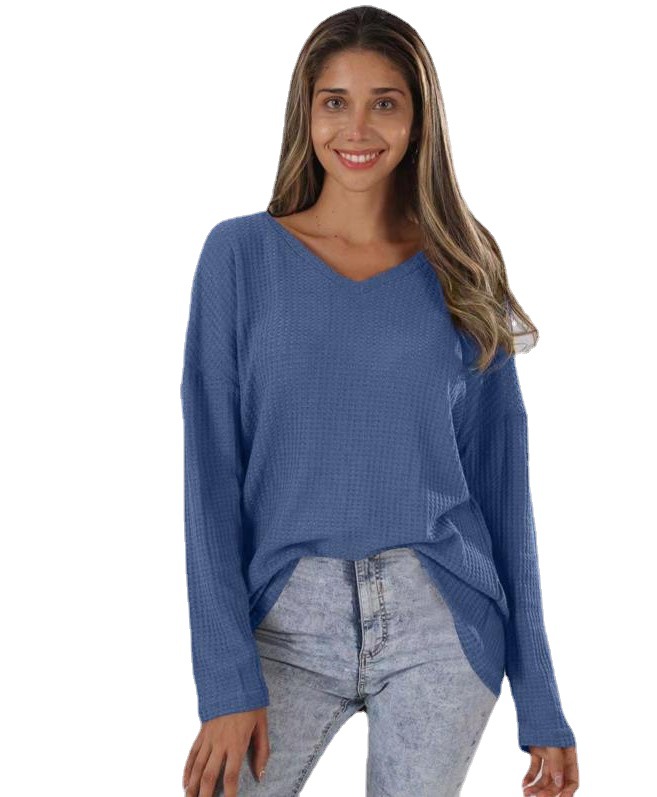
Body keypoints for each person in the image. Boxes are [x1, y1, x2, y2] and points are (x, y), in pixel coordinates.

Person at [180, 6, 579, 797]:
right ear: (305, 113)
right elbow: (209, 476)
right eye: (335, 101)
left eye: (384, 102)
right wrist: (226, 680)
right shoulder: (239, 256)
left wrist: (540, 697)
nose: (357, 127)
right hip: (283, 622)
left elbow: (504, 489)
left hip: (440, 622)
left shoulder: (464, 264)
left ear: (418, 118)